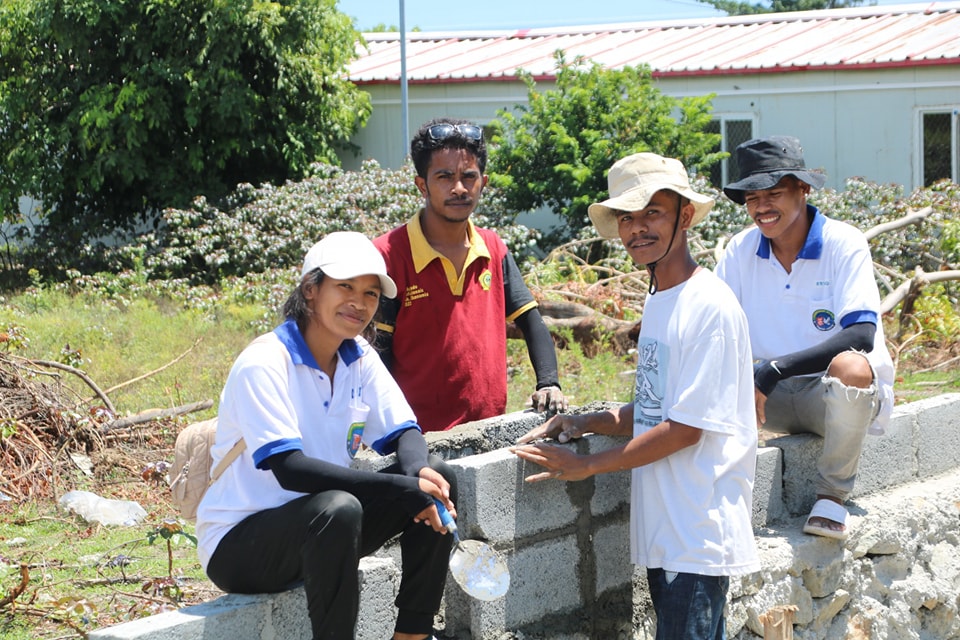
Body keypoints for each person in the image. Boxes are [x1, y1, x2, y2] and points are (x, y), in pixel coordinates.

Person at [512, 153, 760, 640]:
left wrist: (585, 465)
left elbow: (687, 429)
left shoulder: (708, 306)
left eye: (653, 213)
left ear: (684, 216)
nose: (637, 229)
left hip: (695, 534)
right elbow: (654, 409)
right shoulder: (661, 299)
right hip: (670, 534)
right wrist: (585, 423)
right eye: (627, 217)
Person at [195, 231, 456, 640]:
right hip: (241, 543)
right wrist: (402, 487)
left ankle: (412, 635)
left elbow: (405, 431)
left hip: (325, 530)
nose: (360, 302)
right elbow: (290, 470)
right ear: (311, 290)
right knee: (340, 508)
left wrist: (419, 473)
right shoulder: (264, 362)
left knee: (437, 478)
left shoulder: (358, 355)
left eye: (371, 293)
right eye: (345, 287)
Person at [715, 135, 895, 541]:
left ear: (803, 189)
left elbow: (862, 334)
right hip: (767, 398)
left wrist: (774, 369)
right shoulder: (740, 251)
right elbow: (717, 330)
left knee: (852, 366)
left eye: (774, 193)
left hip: (826, 394)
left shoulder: (842, 242)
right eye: (751, 198)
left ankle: (832, 497)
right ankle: (719, 504)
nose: (762, 207)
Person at [373, 117, 567, 433]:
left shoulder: (494, 248)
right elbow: (377, 352)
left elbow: (531, 322)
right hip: (417, 440)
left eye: (469, 177)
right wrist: (389, 431)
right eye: (445, 177)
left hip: (489, 432)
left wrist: (549, 382)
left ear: (484, 182)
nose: (459, 188)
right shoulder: (389, 254)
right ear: (421, 185)